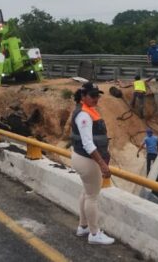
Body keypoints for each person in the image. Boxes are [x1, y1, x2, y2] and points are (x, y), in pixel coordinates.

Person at [71, 82, 115, 245]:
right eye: (92, 95)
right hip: (87, 161)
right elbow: (88, 144)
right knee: (92, 197)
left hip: (80, 158)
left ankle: (83, 227)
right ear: (83, 96)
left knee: (86, 192)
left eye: (98, 95)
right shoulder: (84, 115)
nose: (96, 98)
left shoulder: (85, 111)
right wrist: (103, 164)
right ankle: (94, 234)